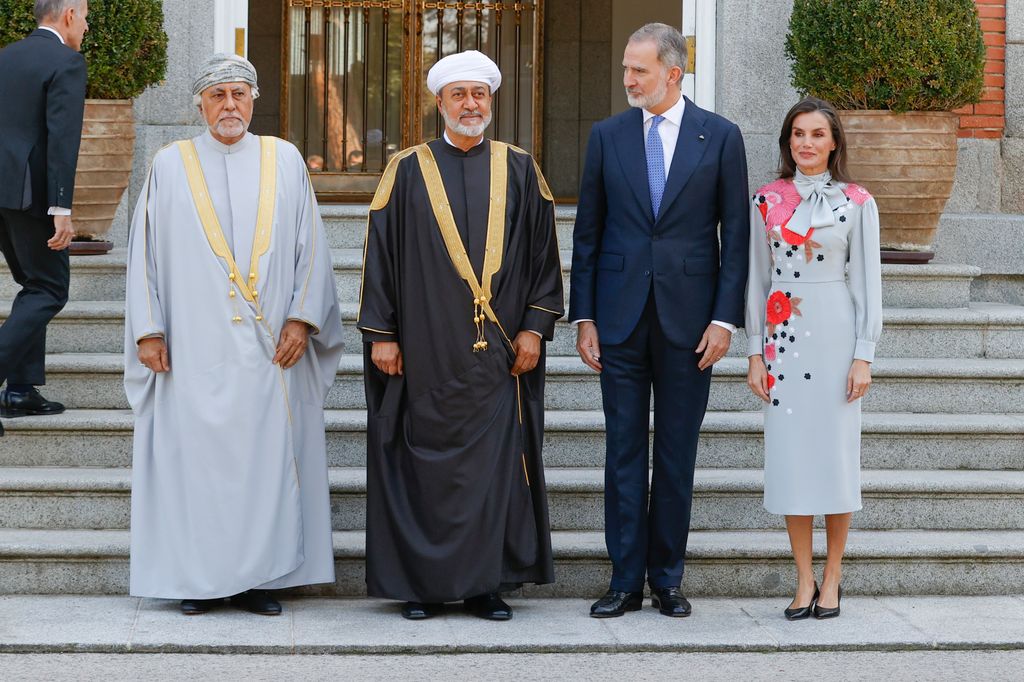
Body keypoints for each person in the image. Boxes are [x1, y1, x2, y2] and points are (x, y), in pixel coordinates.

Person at [124, 54, 343, 616]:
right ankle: (200, 582)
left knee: (265, 468)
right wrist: (148, 330)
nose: (229, 105)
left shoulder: (285, 159)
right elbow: (142, 254)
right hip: (193, 351)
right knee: (198, 466)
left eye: (239, 94)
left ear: (255, 100)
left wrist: (302, 318)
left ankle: (259, 581)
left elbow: (310, 247)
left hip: (272, 352)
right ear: (199, 103)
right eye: (218, 94)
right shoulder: (170, 164)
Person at [358, 49, 563, 622]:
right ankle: (422, 586)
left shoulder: (520, 167)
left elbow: (546, 258)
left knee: (494, 470)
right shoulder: (406, 168)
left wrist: (534, 329)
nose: (470, 104)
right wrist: (383, 334)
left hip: (500, 357)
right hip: (424, 349)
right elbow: (380, 258)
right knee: (424, 466)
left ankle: (485, 586)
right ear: (439, 102)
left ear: (490, 101)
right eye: (459, 95)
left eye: (480, 94)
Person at [569, 23, 749, 618]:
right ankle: (623, 581)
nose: (628, 79)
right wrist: (585, 315)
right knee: (622, 452)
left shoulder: (720, 137)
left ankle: (667, 578)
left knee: (676, 453)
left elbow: (737, 238)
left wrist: (725, 319)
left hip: (690, 323)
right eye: (626, 67)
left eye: (639, 70)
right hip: (617, 320)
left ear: (674, 73)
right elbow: (588, 231)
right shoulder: (607, 135)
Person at [745, 96, 882, 620]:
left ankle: (833, 576)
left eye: (817, 134)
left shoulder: (857, 201)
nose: (806, 143)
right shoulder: (764, 200)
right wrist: (755, 352)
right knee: (791, 461)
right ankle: (802, 578)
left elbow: (868, 282)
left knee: (835, 460)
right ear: (787, 142)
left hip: (836, 336)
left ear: (834, 142)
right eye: (798, 134)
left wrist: (863, 355)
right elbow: (756, 279)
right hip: (783, 338)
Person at [0, 0, 89, 435]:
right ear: (69, 14)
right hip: (32, 196)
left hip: (2, 194)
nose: (86, 26)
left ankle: (20, 390)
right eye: (86, 16)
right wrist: (61, 209)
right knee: (50, 290)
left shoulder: (6, 55)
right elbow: (62, 141)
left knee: (33, 286)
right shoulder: (66, 62)